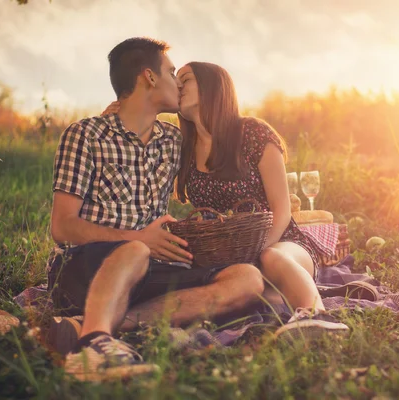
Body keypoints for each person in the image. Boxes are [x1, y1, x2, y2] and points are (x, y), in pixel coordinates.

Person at [48, 38, 264, 382]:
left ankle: (95, 327)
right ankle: (90, 348)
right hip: (85, 266)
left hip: (152, 267)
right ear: (149, 77)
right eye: (172, 72)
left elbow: (218, 176)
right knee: (133, 249)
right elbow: (62, 226)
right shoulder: (85, 135)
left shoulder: (174, 141)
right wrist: (139, 238)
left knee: (247, 279)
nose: (177, 81)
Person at [173, 62, 349, 338]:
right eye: (175, 81)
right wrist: (118, 114)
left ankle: (317, 316)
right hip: (226, 257)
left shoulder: (252, 133)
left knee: (270, 258)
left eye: (185, 79)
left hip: (282, 241)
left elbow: (281, 209)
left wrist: (254, 252)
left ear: (212, 86)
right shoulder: (181, 146)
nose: (177, 86)